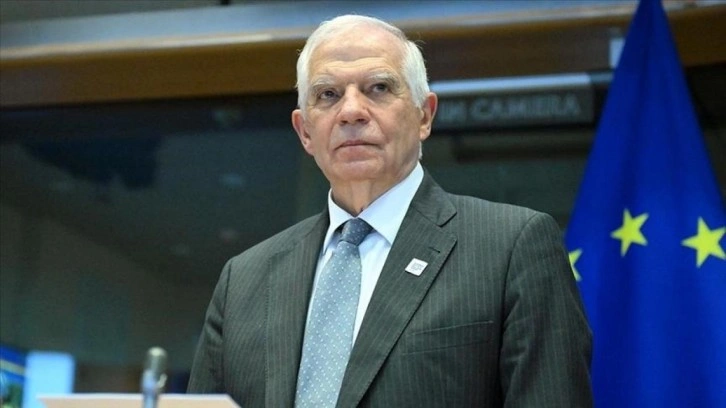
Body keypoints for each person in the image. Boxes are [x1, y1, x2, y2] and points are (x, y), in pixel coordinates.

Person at [188, 14, 593, 407]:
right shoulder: (243, 280)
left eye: (379, 88)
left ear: (424, 115)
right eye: (328, 95)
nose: (351, 111)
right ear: (305, 131)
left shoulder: (511, 247)